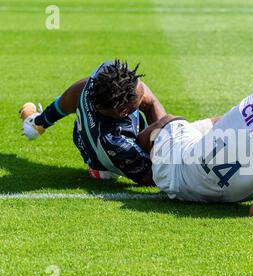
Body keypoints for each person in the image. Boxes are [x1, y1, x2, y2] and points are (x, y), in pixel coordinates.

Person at [20, 60, 166, 185]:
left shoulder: (103, 78)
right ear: (123, 112)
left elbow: (73, 94)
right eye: (140, 96)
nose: (145, 90)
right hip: (105, 167)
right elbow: (153, 176)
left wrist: (43, 120)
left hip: (88, 133)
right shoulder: (116, 141)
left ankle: (35, 123)